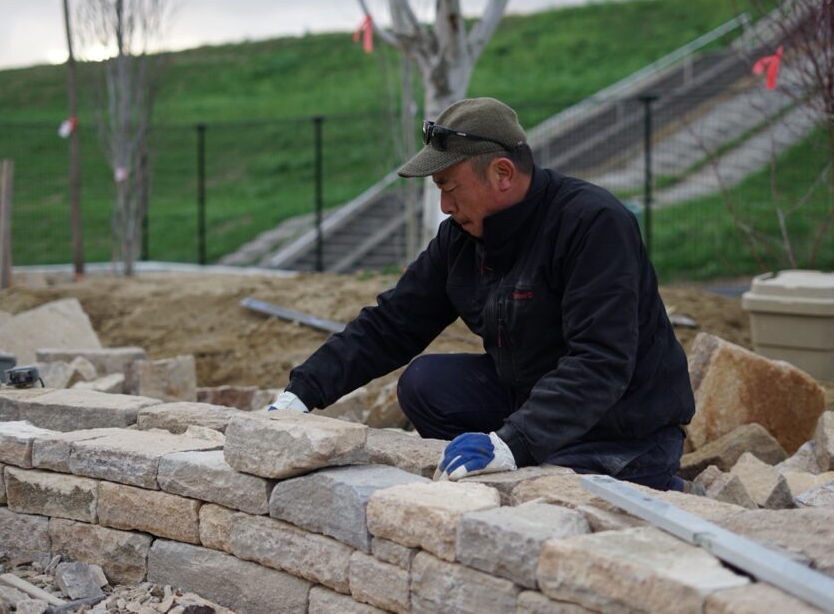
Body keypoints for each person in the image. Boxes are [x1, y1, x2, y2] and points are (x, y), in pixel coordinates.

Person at [268, 97, 695, 491]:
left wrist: (515, 443)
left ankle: (641, 478)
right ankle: (511, 457)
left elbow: (601, 361)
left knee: (550, 486)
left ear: (502, 174)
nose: (444, 206)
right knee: (426, 383)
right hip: (531, 399)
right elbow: (393, 322)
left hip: (622, 424)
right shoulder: (462, 238)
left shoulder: (592, 223)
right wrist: (302, 392)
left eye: (449, 187)